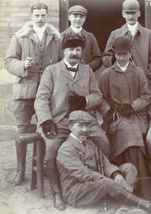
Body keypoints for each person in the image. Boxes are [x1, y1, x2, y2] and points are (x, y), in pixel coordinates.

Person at [34, 34, 110, 210]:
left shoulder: (87, 71)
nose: (74, 53)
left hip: (83, 120)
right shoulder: (51, 71)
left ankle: (100, 186)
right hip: (58, 121)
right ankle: (57, 193)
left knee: (104, 142)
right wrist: (46, 121)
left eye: (78, 50)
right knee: (51, 150)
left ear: (82, 52)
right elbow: (41, 99)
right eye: (70, 49)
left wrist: (84, 101)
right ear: (63, 51)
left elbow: (98, 95)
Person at [56, 110, 151, 213]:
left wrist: (116, 174)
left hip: (97, 184)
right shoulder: (66, 149)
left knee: (129, 167)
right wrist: (107, 180)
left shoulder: (90, 143)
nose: (85, 129)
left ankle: (123, 204)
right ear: (71, 127)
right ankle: (147, 207)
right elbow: (83, 173)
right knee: (107, 184)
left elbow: (105, 163)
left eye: (87, 125)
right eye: (80, 126)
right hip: (77, 192)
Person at [4, 2, 61, 186]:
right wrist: (23, 65)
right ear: (31, 16)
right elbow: (8, 61)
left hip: (47, 91)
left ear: (47, 16)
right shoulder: (20, 36)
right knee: (22, 130)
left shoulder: (55, 38)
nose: (40, 18)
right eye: (36, 15)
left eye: (43, 15)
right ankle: (21, 171)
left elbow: (61, 61)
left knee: (46, 127)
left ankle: (43, 166)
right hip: (24, 90)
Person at [99, 36, 151, 200]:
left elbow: (146, 96)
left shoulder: (138, 72)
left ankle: (142, 189)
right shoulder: (107, 74)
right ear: (114, 54)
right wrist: (108, 111)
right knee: (126, 131)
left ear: (131, 53)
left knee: (134, 131)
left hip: (135, 114)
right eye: (118, 54)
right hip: (116, 116)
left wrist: (132, 106)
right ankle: (126, 185)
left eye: (125, 54)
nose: (121, 57)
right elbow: (100, 97)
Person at [103, 0, 151, 84]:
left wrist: (148, 77)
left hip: (143, 82)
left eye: (133, 13)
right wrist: (116, 71)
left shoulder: (149, 35)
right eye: (127, 13)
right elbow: (106, 57)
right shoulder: (115, 34)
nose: (130, 16)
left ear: (139, 13)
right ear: (123, 14)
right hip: (120, 81)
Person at [61, 5, 102, 72]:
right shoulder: (62, 36)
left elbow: (98, 59)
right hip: (66, 74)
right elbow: (58, 58)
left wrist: (87, 68)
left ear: (85, 18)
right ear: (69, 17)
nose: (78, 19)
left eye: (81, 16)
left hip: (86, 74)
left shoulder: (90, 36)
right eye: (75, 16)